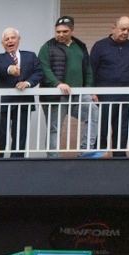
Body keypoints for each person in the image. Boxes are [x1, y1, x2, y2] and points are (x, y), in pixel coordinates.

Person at [39, 16, 97, 157]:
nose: (60, 35)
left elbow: (88, 69)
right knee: (54, 128)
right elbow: (44, 68)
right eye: (58, 31)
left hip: (78, 94)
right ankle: (52, 158)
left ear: (72, 30)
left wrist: (89, 90)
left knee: (94, 112)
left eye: (65, 31)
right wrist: (58, 83)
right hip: (56, 96)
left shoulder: (80, 46)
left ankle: (86, 151)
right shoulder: (48, 47)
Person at [0, 27, 43, 157]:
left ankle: (17, 164)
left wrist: (28, 83)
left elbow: (39, 72)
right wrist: (10, 69)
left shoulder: (30, 56)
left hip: (23, 102)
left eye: (12, 38)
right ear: (2, 43)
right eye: (6, 39)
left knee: (20, 137)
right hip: (2, 104)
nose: (9, 41)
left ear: (19, 39)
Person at [91, 17, 129, 157]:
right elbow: (91, 70)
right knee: (102, 127)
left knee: (122, 128)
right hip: (104, 94)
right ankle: (99, 157)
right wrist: (92, 91)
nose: (125, 32)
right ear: (113, 28)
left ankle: (120, 158)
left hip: (127, 94)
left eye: (128, 30)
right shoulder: (100, 46)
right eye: (122, 29)